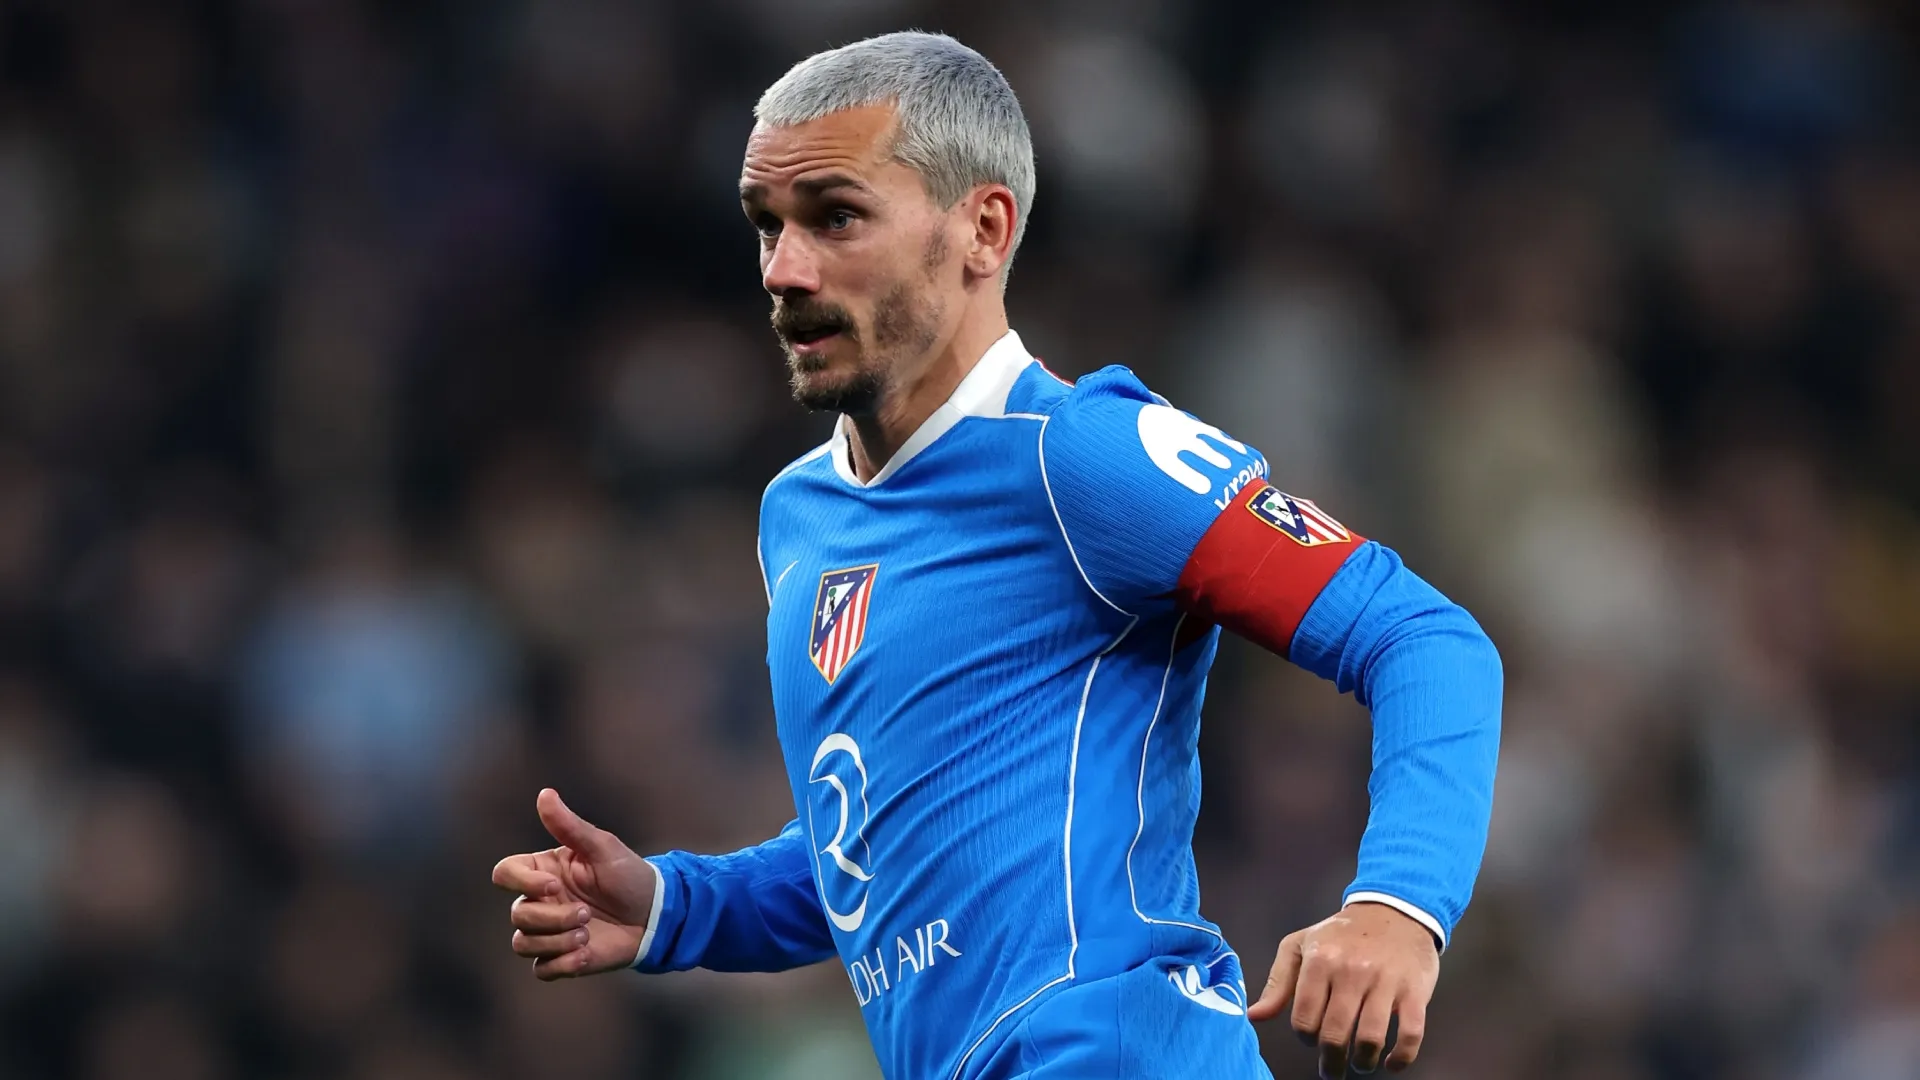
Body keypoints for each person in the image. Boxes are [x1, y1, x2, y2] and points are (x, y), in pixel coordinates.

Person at [491, 31, 1502, 1080]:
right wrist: (677, 905)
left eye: (836, 217)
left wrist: (1397, 910)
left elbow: (1426, 640)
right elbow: (890, 847)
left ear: (982, 228)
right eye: (766, 226)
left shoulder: (1084, 454)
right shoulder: (800, 517)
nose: (784, 270)